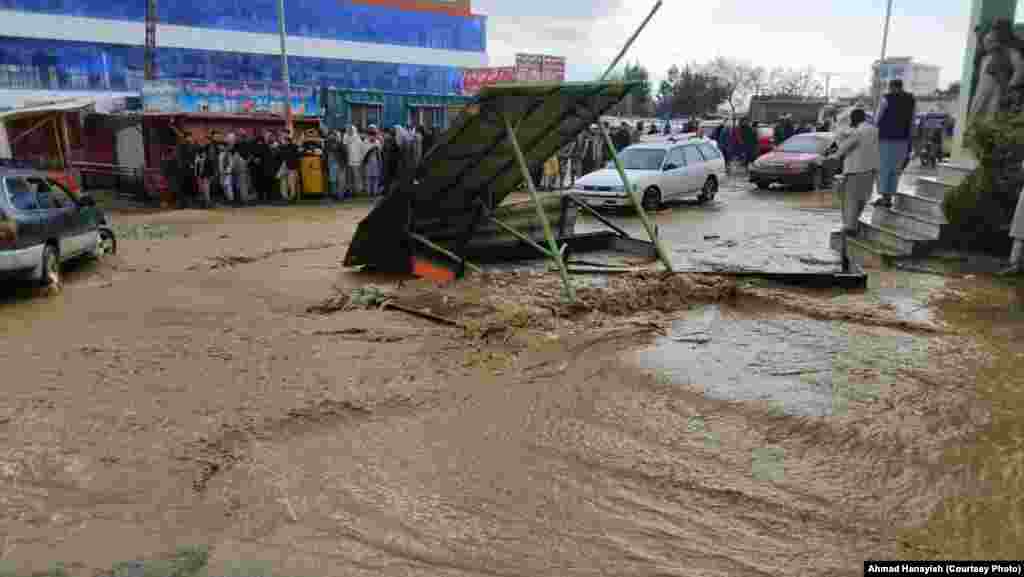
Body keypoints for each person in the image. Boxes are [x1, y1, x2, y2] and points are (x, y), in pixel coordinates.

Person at [830, 109, 879, 236]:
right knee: (862, 199)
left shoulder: (857, 132)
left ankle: (850, 227)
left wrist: (835, 156)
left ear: (854, 119)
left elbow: (844, 147)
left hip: (855, 170)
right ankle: (853, 224)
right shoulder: (875, 130)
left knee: (851, 200)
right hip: (870, 169)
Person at [874, 79, 916, 208]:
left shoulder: (886, 99)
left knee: (883, 168)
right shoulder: (911, 100)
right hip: (903, 139)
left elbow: (877, 118)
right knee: (895, 169)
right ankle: (889, 197)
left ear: (891, 87)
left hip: (885, 138)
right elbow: (912, 120)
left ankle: (884, 197)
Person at [277, 131, 300, 203]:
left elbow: (298, 154)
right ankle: (285, 197)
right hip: (284, 166)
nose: (285, 141)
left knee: (291, 183)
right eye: (284, 140)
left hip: (291, 167)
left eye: (286, 140)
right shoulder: (280, 147)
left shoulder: (294, 147)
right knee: (283, 182)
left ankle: (292, 197)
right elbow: (278, 157)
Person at [343, 125, 365, 197]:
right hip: (348, 161)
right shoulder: (345, 138)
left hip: (356, 161)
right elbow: (344, 148)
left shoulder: (357, 139)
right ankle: (349, 191)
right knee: (349, 178)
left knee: (356, 177)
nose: (349, 131)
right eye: (348, 130)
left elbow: (361, 150)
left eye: (351, 130)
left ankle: (357, 191)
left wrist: (361, 159)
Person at [363, 125, 383, 197]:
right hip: (368, 162)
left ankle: (375, 192)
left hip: (376, 162)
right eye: (370, 134)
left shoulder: (378, 142)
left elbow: (380, 152)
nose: (372, 136)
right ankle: (368, 192)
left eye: (373, 134)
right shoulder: (365, 141)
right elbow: (364, 152)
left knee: (376, 177)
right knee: (368, 178)